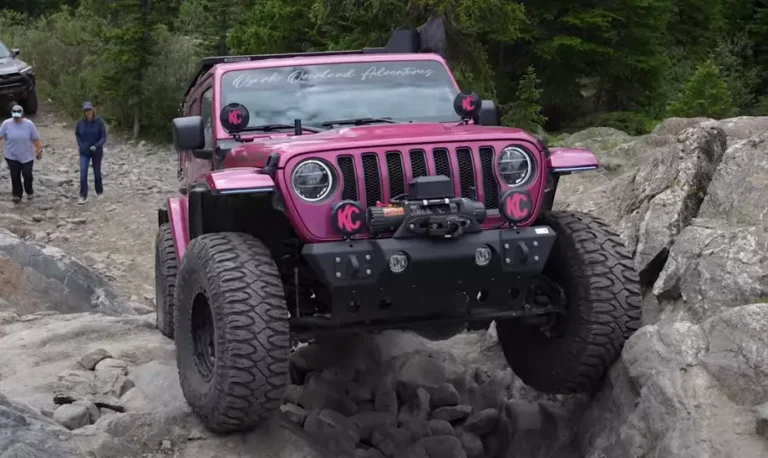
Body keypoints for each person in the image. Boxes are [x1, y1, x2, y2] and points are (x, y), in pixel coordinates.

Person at [0, 104, 42, 204]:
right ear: (11, 113)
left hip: (27, 155)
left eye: (18, 112)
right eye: (14, 112)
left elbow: (35, 138)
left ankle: (29, 190)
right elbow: (0, 137)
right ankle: (17, 195)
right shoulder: (6, 124)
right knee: (15, 176)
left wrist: (38, 150)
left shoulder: (29, 124)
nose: (16, 115)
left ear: (22, 113)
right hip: (11, 155)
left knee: (27, 175)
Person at [75, 101, 107, 204]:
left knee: (97, 173)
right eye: (86, 111)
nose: (88, 112)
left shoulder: (99, 122)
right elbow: (77, 135)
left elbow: (103, 137)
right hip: (84, 151)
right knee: (83, 173)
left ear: (93, 110)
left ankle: (99, 191)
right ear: (83, 112)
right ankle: (83, 195)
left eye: (89, 110)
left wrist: (97, 146)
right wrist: (80, 144)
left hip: (96, 151)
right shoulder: (80, 123)